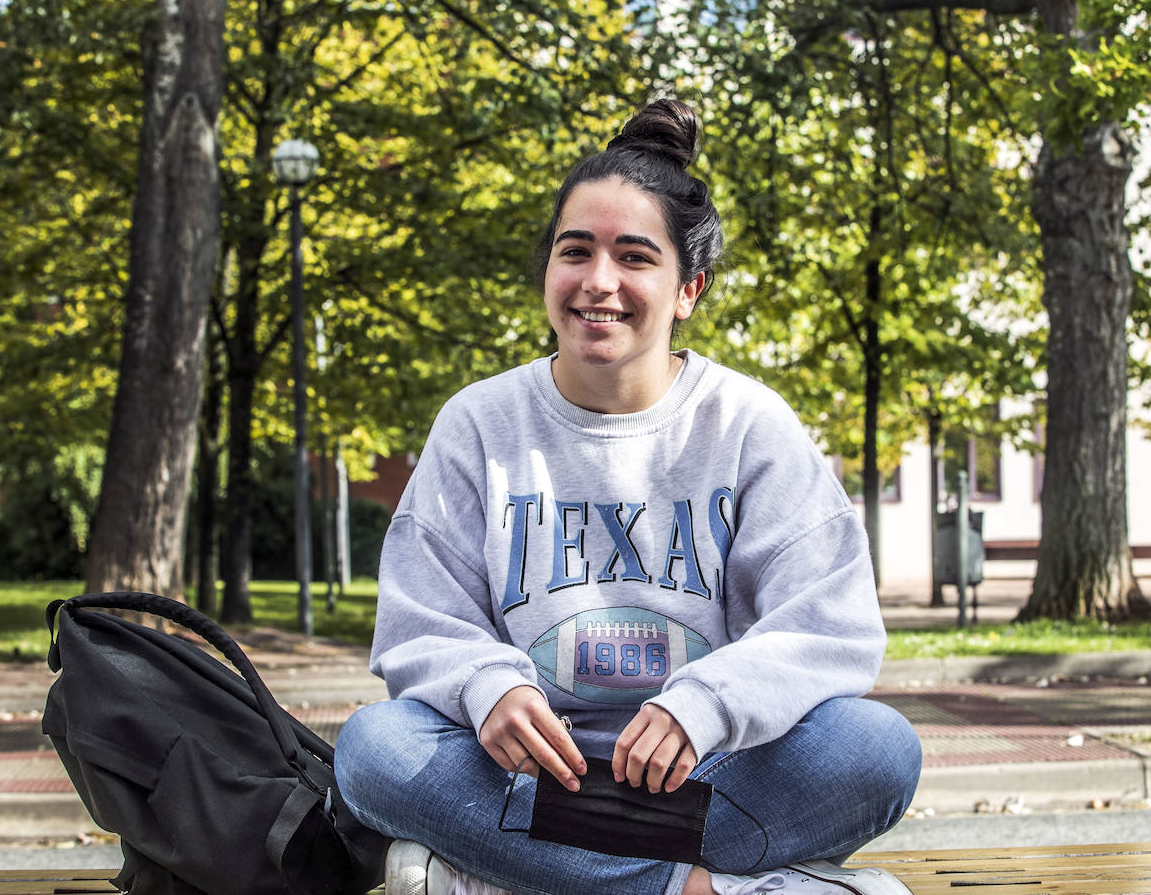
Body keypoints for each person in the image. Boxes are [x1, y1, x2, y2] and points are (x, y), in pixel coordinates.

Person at [335, 98, 921, 895]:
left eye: (635, 257)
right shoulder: (478, 423)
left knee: (878, 748)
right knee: (375, 749)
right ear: (548, 268)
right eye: (575, 251)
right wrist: (487, 685)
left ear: (689, 289)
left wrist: (706, 705)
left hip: (711, 770)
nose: (598, 282)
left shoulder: (747, 425)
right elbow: (418, 621)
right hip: (529, 771)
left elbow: (831, 627)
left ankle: (505, 877)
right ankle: (699, 889)